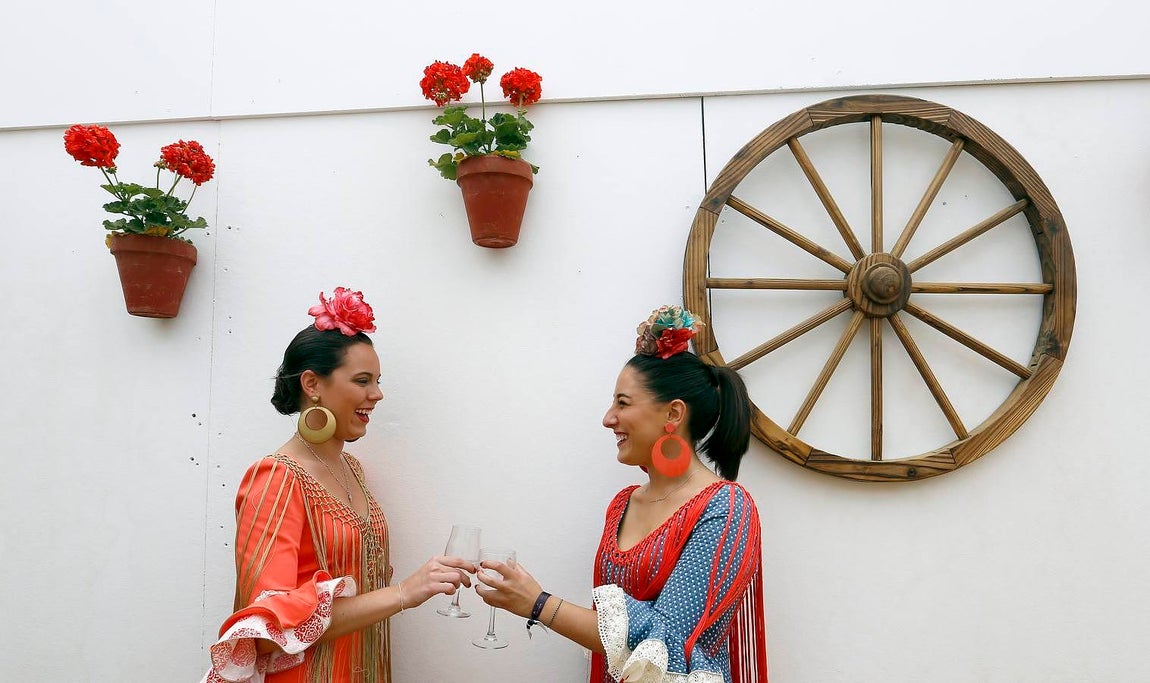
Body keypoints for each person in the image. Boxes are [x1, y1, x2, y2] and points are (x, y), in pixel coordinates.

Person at [476, 305, 768, 683]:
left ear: (673, 415)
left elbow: (668, 646)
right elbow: (613, 639)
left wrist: (538, 604)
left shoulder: (725, 508)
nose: (608, 418)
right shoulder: (623, 504)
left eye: (623, 403)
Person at [201, 288, 475, 683]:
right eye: (362, 380)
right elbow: (265, 636)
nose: (377, 394)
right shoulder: (276, 478)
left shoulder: (353, 469)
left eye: (378, 381)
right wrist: (405, 592)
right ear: (312, 383)